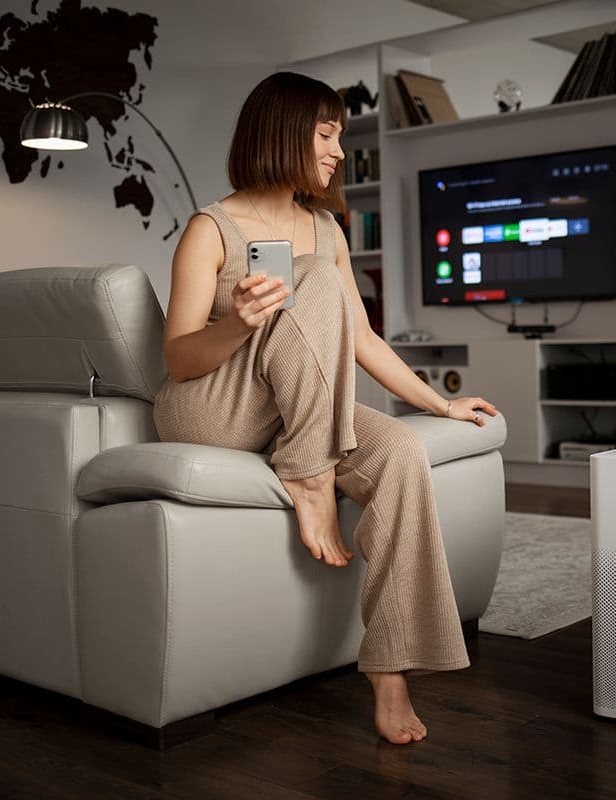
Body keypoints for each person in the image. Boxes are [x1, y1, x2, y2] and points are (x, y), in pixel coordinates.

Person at [152, 72, 498, 745]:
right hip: (211, 407)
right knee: (308, 279)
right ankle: (310, 475)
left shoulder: (325, 227)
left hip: (289, 412)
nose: (339, 150)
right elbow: (178, 359)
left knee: (399, 452)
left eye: (340, 135)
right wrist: (241, 324)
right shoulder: (210, 228)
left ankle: (390, 669)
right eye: (327, 134)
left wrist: (439, 402)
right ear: (284, 133)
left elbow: (363, 339)